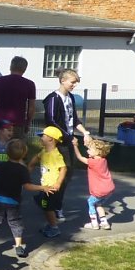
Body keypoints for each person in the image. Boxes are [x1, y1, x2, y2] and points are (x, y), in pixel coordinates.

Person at [0, 138, 52, 257]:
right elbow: (27, 186)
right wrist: (42, 188)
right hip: (13, 201)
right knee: (15, 223)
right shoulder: (22, 170)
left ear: (7, 152)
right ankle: (19, 247)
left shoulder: (1, 166)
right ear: (24, 154)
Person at [42, 68, 92, 220]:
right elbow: (51, 120)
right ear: (63, 81)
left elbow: (74, 119)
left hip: (68, 141)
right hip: (58, 143)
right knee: (58, 175)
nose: (74, 85)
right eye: (72, 82)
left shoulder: (70, 97)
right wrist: (68, 137)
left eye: (76, 83)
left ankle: (52, 203)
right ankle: (54, 206)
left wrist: (85, 133)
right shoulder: (52, 99)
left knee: (68, 174)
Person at [28, 126, 68, 238]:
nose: (41, 138)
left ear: (51, 139)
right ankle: (51, 224)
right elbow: (33, 161)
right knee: (45, 207)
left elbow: (63, 168)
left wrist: (58, 183)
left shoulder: (55, 155)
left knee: (48, 208)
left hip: (51, 187)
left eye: (43, 136)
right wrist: (29, 168)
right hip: (45, 186)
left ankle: (54, 228)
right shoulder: (44, 152)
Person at [0, 56, 36, 139]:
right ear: (25, 69)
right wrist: (28, 123)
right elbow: (31, 108)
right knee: (16, 147)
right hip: (17, 124)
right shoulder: (29, 84)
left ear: (11, 66)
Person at [73, 138, 115, 230]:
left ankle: (94, 223)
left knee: (90, 202)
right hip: (109, 189)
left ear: (98, 152)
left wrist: (75, 146)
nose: (87, 151)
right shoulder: (103, 160)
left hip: (100, 191)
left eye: (89, 149)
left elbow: (80, 157)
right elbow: (94, 150)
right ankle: (104, 223)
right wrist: (88, 144)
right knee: (98, 204)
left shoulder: (93, 162)